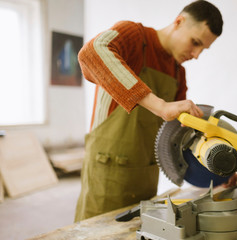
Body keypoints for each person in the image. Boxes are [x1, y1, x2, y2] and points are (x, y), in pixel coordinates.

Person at [74, 0, 223, 221]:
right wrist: (160, 106)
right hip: (107, 175)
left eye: (203, 49)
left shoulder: (177, 73)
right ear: (179, 22)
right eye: (195, 42)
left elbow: (179, 135)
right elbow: (92, 53)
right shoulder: (134, 35)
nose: (196, 54)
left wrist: (218, 170)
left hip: (145, 177)